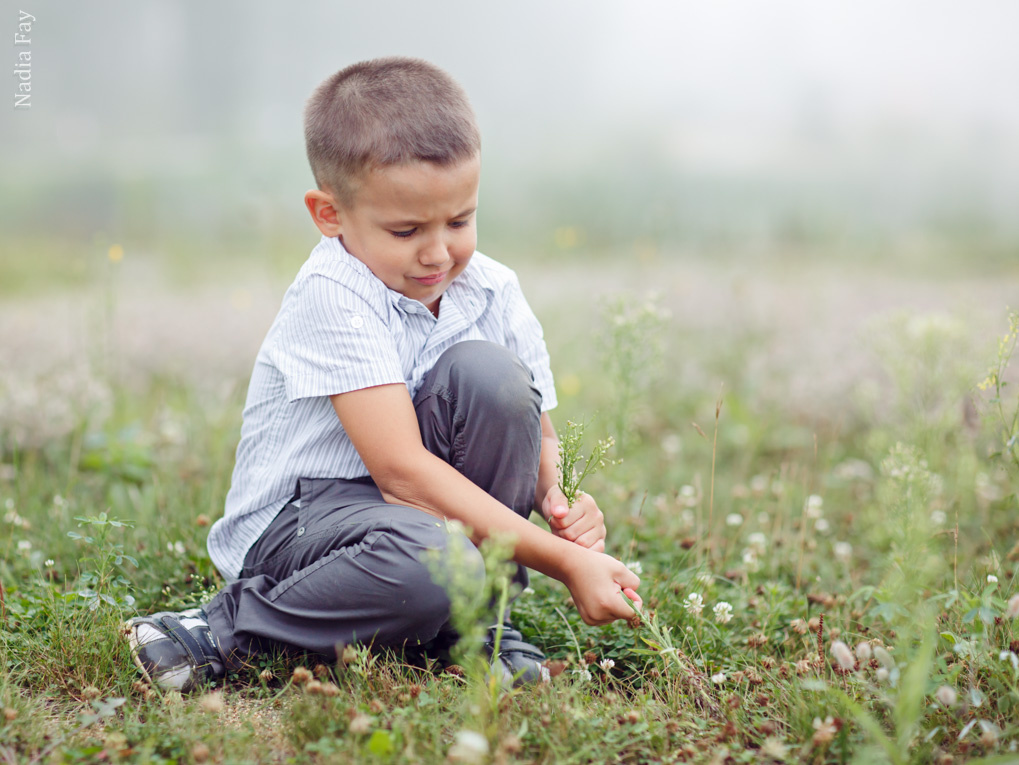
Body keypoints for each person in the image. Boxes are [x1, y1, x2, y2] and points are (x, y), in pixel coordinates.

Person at [125, 57, 641, 692]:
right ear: (330, 214)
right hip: (301, 526)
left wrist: (558, 501)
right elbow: (401, 474)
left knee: (492, 379)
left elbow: (538, 434)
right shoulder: (334, 292)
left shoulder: (490, 288)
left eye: (459, 221)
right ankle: (219, 630)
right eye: (407, 229)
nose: (438, 252)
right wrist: (563, 562)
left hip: (416, 519)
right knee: (432, 559)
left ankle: (476, 622)